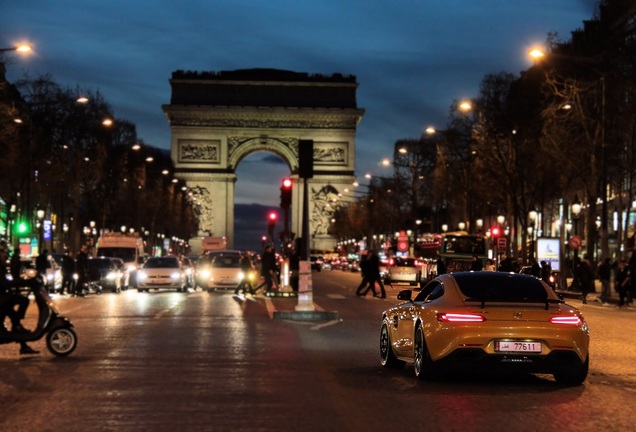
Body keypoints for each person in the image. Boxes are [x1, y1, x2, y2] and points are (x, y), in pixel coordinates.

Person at [0, 247, 38, 354]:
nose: (5, 255)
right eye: (2, 252)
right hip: (2, 300)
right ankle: (23, 345)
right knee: (23, 301)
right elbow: (3, 282)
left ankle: (24, 346)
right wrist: (21, 282)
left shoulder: (2, 266)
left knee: (15, 321)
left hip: (4, 299)